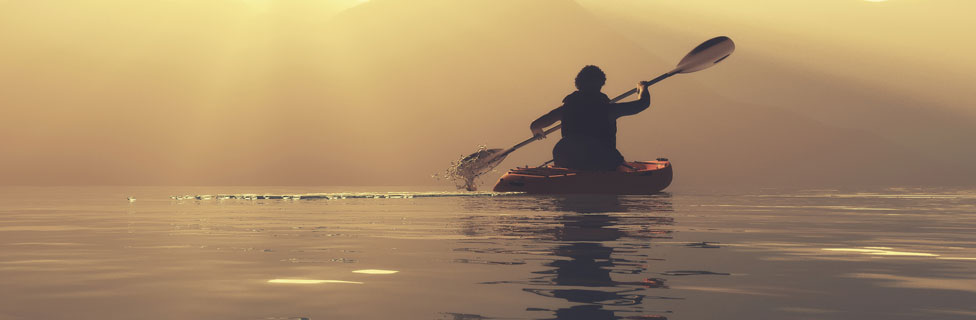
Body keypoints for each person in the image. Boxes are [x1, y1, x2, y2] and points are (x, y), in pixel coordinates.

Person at [530, 65, 651, 171]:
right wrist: (642, 88)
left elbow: (535, 125)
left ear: (578, 84)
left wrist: (537, 132)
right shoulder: (608, 109)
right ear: (600, 84)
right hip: (597, 158)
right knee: (611, 159)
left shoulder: (566, 108)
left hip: (567, 155)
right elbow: (642, 104)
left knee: (569, 150)